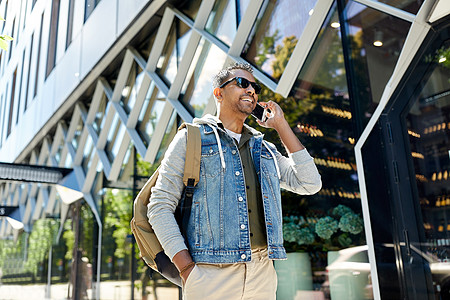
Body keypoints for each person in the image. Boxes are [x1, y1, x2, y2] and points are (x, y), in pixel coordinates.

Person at [148, 62, 321, 299]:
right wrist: (188, 270)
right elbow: (159, 206)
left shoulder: (264, 149)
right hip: (211, 274)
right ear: (218, 92)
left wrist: (280, 125)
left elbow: (310, 183)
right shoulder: (191, 139)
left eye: (255, 86)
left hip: (262, 273)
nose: (251, 90)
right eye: (242, 83)